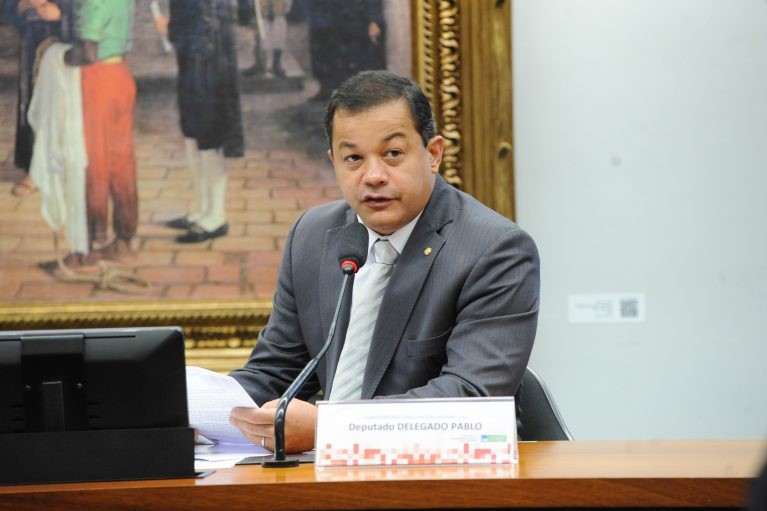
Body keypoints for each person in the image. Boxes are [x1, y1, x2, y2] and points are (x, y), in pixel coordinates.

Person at [228, 70, 540, 454]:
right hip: (322, 477)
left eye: (393, 154)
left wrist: (331, 429)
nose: (373, 176)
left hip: (449, 477)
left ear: (433, 154)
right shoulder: (311, 235)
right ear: (334, 161)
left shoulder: (495, 250)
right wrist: (191, 413)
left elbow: (471, 397)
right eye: (353, 158)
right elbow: (276, 371)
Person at [157, 0, 252, 243]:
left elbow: (208, 19)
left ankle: (216, 216)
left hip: (209, 57)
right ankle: (202, 210)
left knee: (209, 134)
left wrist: (171, 30)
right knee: (193, 131)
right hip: (195, 53)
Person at [64, 0, 138, 262]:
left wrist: (59, 57)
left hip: (97, 80)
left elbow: (88, 52)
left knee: (93, 162)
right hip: (120, 75)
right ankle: (124, 238)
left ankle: (91, 242)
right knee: (121, 161)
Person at [4, 0, 72, 197]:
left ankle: (49, 169)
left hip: (66, 44)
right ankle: (36, 166)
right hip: (33, 40)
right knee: (34, 102)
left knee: (59, 105)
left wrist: (61, 13)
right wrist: (22, 5)